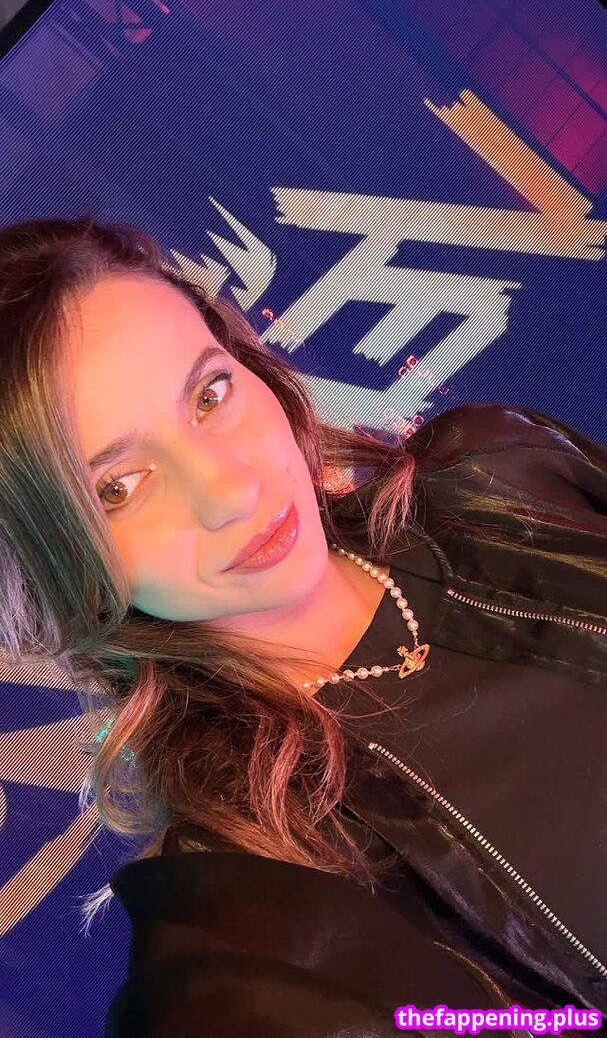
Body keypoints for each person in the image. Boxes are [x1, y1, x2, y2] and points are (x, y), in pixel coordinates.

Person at [0, 217, 605, 1038]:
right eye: (119, 487)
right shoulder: (249, 900)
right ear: (59, 565)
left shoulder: (499, 473)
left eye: (209, 395)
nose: (232, 490)